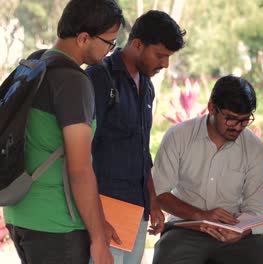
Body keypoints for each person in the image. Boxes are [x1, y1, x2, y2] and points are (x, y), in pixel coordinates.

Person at [3, 1, 125, 263]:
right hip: (57, 224)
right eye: (109, 42)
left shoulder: (37, 62)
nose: (110, 50)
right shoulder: (73, 82)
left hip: (20, 211)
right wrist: (98, 240)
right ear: (83, 38)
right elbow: (79, 170)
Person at [85, 10, 186, 263]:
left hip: (136, 211)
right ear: (137, 44)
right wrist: (97, 222)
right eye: (160, 55)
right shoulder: (99, 78)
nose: (165, 64)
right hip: (104, 212)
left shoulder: (147, 86)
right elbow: (81, 154)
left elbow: (142, 150)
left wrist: (153, 200)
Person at [152, 75, 263, 264]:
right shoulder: (179, 136)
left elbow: (256, 209)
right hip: (185, 228)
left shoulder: (254, 147)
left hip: (236, 234)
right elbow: (159, 193)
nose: (238, 127)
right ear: (211, 108)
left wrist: (241, 231)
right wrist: (201, 216)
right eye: (231, 119)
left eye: (244, 120)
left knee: (261, 255)